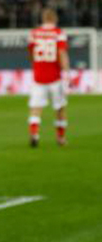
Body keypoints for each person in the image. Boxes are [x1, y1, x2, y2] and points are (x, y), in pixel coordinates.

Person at [27, 8, 70, 147]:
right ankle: (61, 138)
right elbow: (61, 53)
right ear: (55, 18)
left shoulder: (34, 33)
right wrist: (67, 72)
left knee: (35, 108)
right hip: (54, 77)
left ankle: (34, 134)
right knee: (60, 108)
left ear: (43, 18)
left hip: (38, 76)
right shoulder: (59, 33)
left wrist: (36, 66)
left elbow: (31, 54)